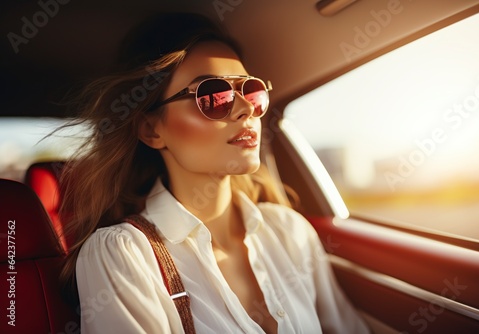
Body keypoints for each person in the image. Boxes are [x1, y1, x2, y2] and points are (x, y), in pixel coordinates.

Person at [59, 12, 370, 334]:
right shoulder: (123, 255)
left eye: (252, 91)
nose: (246, 109)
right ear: (152, 130)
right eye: (212, 96)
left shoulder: (290, 231)